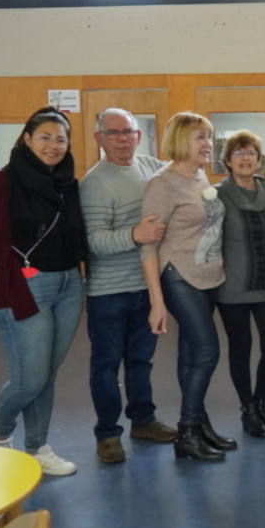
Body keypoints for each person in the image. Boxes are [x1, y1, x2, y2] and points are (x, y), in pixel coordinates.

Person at [0, 107, 87, 476]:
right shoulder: (3, 182)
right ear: (27, 138)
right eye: (45, 137)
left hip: (69, 284)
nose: (53, 146)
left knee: (47, 375)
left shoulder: (67, 183)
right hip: (23, 286)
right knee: (30, 379)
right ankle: (2, 427)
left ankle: (37, 448)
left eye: (61, 139)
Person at [79, 108, 175, 466]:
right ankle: (107, 434)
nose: (122, 139)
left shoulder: (153, 168)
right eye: (113, 133)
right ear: (99, 138)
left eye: (128, 132)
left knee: (140, 361)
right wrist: (136, 234)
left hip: (148, 287)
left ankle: (144, 421)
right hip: (108, 292)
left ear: (139, 135)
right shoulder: (94, 183)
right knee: (106, 365)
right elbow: (93, 242)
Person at [141, 111, 232, 463]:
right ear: (181, 141)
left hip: (208, 275)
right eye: (200, 137)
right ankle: (188, 431)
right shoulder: (162, 184)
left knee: (191, 354)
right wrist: (157, 302)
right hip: (178, 275)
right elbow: (148, 247)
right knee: (207, 352)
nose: (208, 144)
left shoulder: (198, 175)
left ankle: (200, 425)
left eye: (208, 136)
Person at [216, 130, 265, 438]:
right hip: (231, 286)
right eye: (238, 153)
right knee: (240, 348)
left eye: (250, 153)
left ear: (259, 160)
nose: (245, 158)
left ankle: (260, 403)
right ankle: (247, 409)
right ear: (227, 161)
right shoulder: (217, 195)